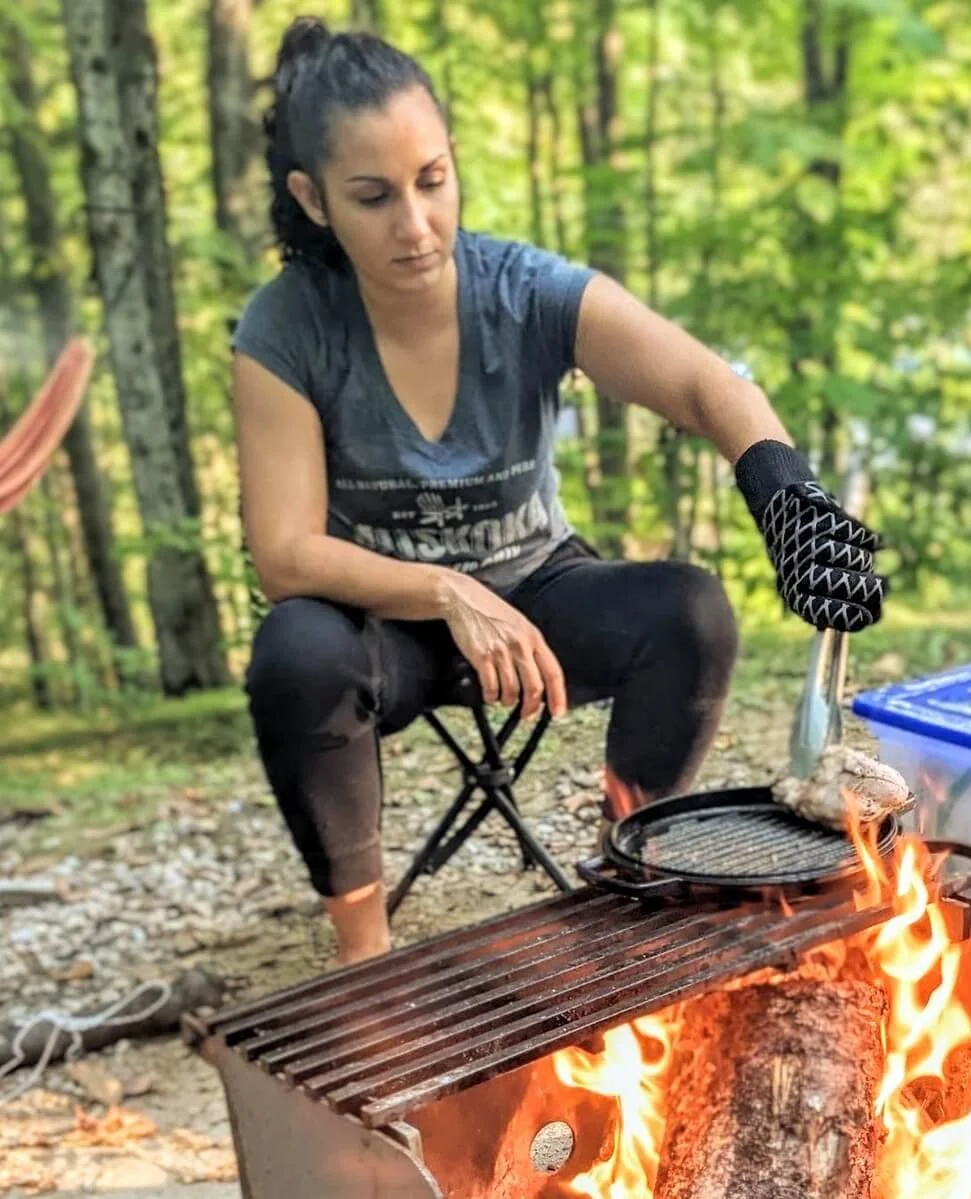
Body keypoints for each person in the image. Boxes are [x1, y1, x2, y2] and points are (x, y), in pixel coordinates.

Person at [231, 16, 888, 966]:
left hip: (538, 597)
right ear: (314, 197)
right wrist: (449, 593)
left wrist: (784, 491)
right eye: (372, 197)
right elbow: (285, 553)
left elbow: (709, 383)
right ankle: (364, 958)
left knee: (692, 611)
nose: (415, 226)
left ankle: (635, 876)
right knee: (294, 650)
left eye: (432, 181)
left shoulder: (523, 291)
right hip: (381, 627)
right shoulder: (288, 324)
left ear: (454, 162)